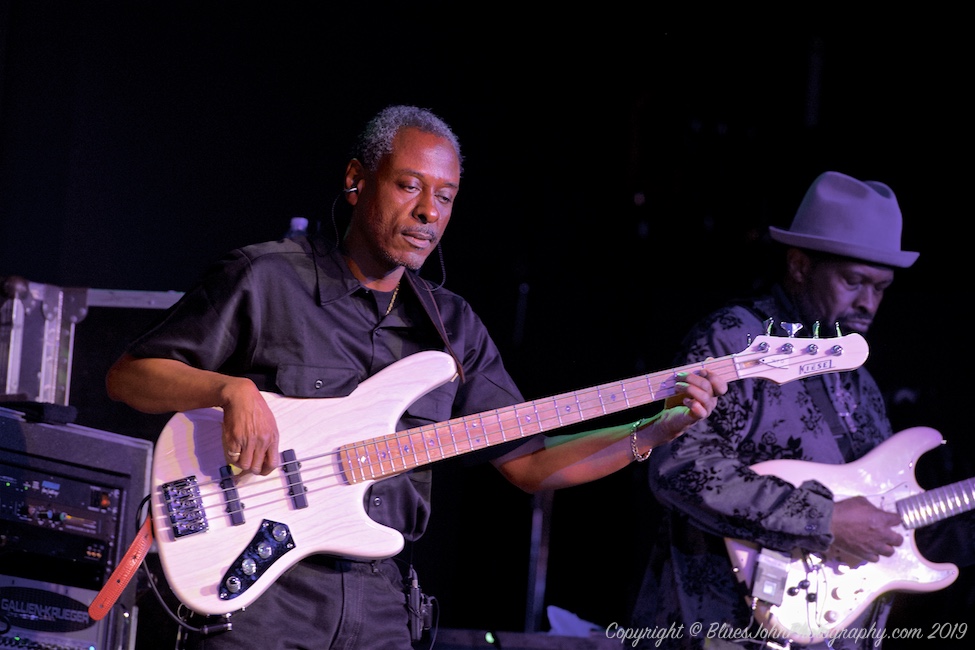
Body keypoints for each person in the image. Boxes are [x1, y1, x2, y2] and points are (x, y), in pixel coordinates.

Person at [105, 104, 727, 650]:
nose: (429, 211)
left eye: (447, 196)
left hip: (380, 606)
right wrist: (228, 389)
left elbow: (531, 467)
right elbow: (130, 377)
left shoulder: (453, 328)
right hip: (261, 596)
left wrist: (655, 430)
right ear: (356, 180)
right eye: (409, 186)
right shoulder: (266, 279)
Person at [630, 170, 918, 650]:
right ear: (801, 265)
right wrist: (822, 519)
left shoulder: (861, 381)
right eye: (854, 281)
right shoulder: (734, 340)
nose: (869, 302)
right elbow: (680, 463)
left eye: (881, 288)